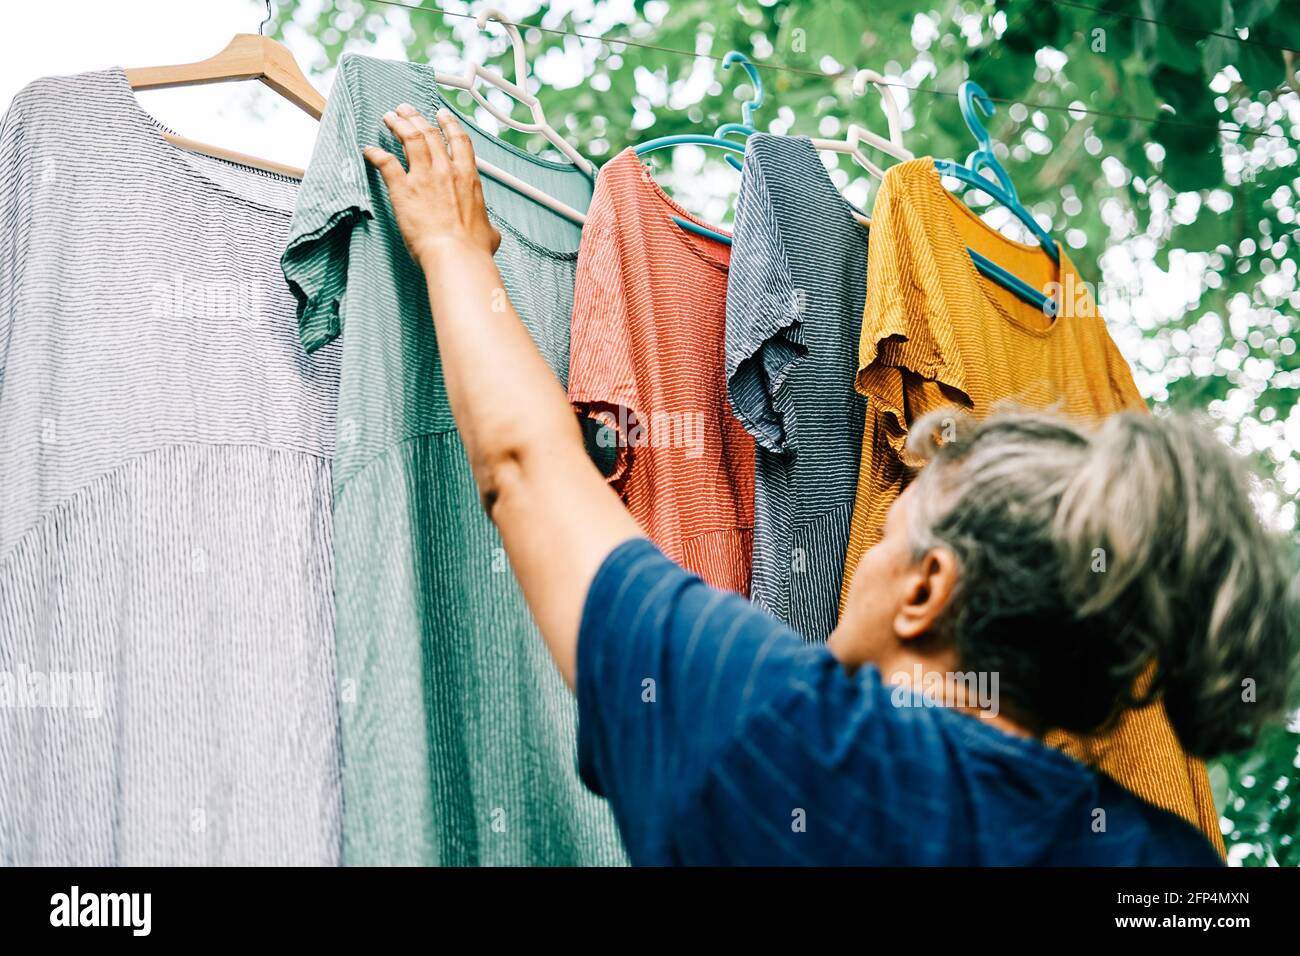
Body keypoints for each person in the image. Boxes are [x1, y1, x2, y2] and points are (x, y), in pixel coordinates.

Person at [361, 104, 1299, 865]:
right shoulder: (1167, 867)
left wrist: (454, 250)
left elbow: (529, 469)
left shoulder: (784, 734)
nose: (868, 544)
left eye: (894, 531)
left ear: (929, 589)